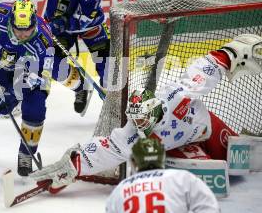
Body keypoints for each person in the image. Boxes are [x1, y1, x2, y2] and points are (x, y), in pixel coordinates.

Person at [29, 33, 262, 193]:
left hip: (204, 127)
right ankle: (197, 156)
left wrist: (234, 52)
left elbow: (205, 68)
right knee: (215, 174)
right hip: (177, 148)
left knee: (242, 156)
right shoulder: (133, 135)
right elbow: (105, 150)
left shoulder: (176, 98)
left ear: (155, 111)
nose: (140, 124)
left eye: (143, 119)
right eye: (137, 120)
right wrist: (74, 166)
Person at [0, 0, 82, 176]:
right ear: (11, 21)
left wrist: (11, 95)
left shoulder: (42, 41)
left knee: (35, 109)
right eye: (19, 30)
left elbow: (43, 76)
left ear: (34, 24)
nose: (23, 35)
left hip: (31, 72)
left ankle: (26, 153)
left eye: (28, 30)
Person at [0, 0, 109, 115]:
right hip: (57, 26)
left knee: (109, 70)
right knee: (55, 65)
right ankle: (81, 87)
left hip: (91, 27)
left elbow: (86, 17)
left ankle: (114, 105)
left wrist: (63, 23)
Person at [106, 138, 220, 213]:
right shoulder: (181, 177)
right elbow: (210, 208)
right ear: (162, 157)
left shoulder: (121, 189)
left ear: (135, 161)